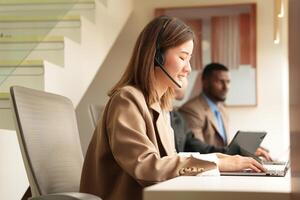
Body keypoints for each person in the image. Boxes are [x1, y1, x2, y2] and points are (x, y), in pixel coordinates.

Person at [80, 16, 265, 200]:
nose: (188, 69)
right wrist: (216, 162)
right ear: (157, 56)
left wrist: (221, 158)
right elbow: (146, 167)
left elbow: (169, 159)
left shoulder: (160, 105)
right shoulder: (127, 99)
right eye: (183, 58)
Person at [179, 63, 271, 160]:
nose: (226, 87)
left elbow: (224, 144)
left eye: (228, 82)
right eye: (220, 82)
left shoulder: (222, 109)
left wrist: (246, 150)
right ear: (205, 82)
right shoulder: (191, 110)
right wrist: (238, 152)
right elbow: (199, 151)